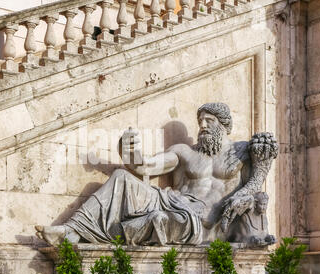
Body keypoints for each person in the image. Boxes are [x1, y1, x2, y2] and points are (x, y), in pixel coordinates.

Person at [35, 102, 278, 246]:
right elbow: (145, 167)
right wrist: (129, 151)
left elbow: (258, 178)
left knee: (163, 219)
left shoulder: (242, 150)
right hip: (175, 202)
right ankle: (72, 231)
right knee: (122, 178)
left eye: (209, 120)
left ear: (224, 125)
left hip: (203, 223)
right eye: (200, 121)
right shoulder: (184, 152)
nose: (202, 126)